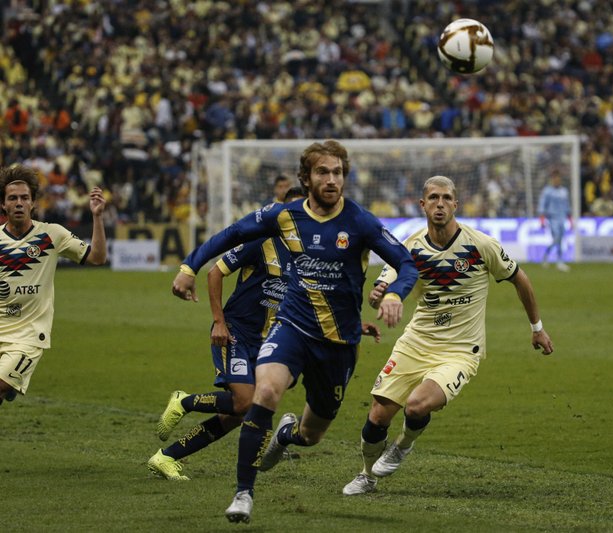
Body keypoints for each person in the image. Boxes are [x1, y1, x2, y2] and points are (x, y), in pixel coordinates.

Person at [170, 140, 418, 523]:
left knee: (312, 434)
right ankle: (243, 495)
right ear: (307, 177)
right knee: (265, 391)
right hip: (292, 328)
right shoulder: (284, 215)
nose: (332, 179)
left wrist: (397, 295)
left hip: (338, 345)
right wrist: (189, 268)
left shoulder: (361, 222)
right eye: (323, 172)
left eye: (337, 172)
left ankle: (287, 436)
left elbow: (407, 264)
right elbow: (231, 234)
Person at [342, 175, 554, 496]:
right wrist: (382, 294)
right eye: (433, 198)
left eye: (445, 198)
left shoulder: (480, 245)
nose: (439, 204)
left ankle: (403, 445)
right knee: (377, 415)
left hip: (460, 351)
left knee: (415, 406)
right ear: (422, 204)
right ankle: (367, 475)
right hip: (415, 343)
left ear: (456, 204)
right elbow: (386, 281)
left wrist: (537, 329)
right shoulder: (409, 247)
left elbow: (520, 279)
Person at [148, 187, 309, 480]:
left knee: (237, 415)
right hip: (236, 332)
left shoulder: (305, 254)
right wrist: (219, 322)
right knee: (246, 403)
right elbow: (215, 273)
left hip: (269, 340)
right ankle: (185, 401)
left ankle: (166, 457)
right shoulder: (260, 241)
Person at [0, 164, 107, 405]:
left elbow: (97, 258)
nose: (19, 203)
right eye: (12, 198)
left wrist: (97, 217)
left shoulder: (51, 235)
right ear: (3, 204)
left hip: (26, 336)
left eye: (24, 198)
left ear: (33, 203)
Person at [538, 170, 571, 272]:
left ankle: (557, 261)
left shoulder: (564, 191)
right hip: (552, 218)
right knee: (557, 237)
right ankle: (552, 257)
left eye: (558, 178)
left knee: (560, 239)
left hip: (562, 218)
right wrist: (542, 219)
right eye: (555, 178)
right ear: (552, 180)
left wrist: (570, 219)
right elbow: (542, 205)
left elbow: (567, 206)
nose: (556, 180)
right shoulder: (547, 191)